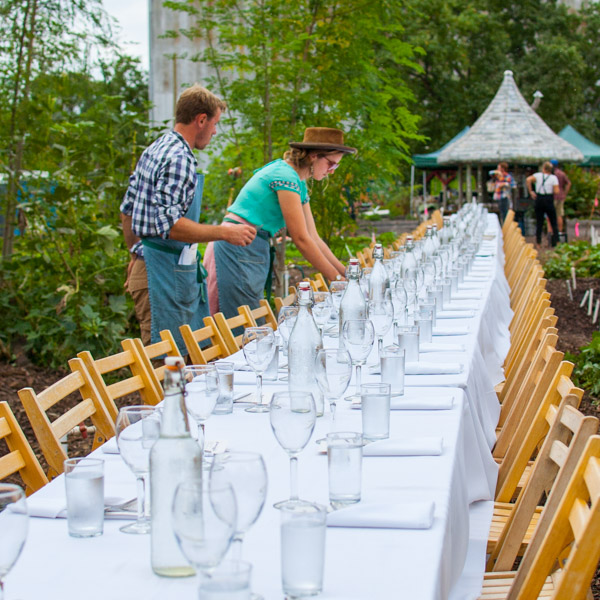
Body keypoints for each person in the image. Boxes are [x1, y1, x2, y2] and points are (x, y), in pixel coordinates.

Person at [120, 84, 256, 351]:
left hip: (153, 268)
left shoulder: (156, 148)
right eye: (215, 123)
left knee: (180, 359)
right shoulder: (180, 158)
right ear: (201, 120)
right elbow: (169, 225)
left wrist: (135, 254)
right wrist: (224, 232)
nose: (215, 131)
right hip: (162, 275)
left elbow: (127, 209)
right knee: (168, 364)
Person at [204, 127, 355, 318]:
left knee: (249, 320)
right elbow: (301, 238)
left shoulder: (297, 182)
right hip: (237, 244)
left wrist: (347, 275)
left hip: (251, 246)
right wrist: (337, 280)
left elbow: (313, 237)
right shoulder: (285, 176)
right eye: (331, 165)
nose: (331, 172)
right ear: (314, 156)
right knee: (241, 323)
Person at [527, 161, 560, 248]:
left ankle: (538, 243)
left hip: (539, 199)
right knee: (553, 221)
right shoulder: (553, 178)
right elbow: (556, 191)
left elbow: (528, 180)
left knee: (539, 222)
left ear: (543, 168)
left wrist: (531, 191)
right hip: (548, 199)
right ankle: (557, 241)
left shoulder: (538, 175)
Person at [550, 159, 571, 236]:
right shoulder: (562, 173)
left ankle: (551, 232)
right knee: (559, 215)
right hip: (561, 196)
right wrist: (565, 193)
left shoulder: (551, 174)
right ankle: (559, 231)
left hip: (552, 196)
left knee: (550, 215)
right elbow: (568, 183)